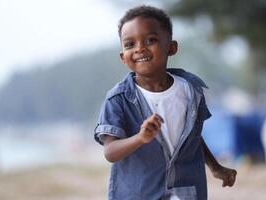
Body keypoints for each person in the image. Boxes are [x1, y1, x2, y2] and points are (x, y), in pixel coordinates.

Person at [94, 5, 237, 200]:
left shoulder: (191, 90)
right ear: (123, 57)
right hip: (139, 192)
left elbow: (192, 138)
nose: (140, 48)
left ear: (171, 47)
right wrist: (140, 138)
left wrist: (215, 167)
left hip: (186, 190)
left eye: (150, 40)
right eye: (129, 44)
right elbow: (110, 152)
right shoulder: (117, 99)